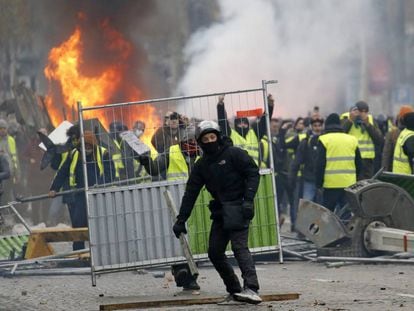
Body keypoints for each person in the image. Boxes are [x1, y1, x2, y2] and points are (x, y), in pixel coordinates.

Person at [172, 120, 262, 304]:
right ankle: (235, 291)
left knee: (239, 248)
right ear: (200, 142)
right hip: (221, 212)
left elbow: (253, 172)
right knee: (214, 252)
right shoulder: (201, 165)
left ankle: (252, 288)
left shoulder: (234, 154)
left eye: (213, 137)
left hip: (239, 208)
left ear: (219, 137)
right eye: (206, 138)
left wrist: (248, 200)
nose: (210, 141)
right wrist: (181, 220)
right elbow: (191, 193)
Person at [49, 131, 114, 250]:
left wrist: (99, 185)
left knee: (98, 227)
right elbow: (62, 172)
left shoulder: (103, 154)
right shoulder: (74, 154)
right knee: (78, 226)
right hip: (79, 196)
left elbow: (110, 175)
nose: (87, 149)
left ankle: (100, 254)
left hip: (98, 196)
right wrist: (54, 188)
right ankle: (78, 254)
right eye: (85, 146)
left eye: (89, 146)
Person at [315, 113, 362, 214]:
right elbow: (359, 164)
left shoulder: (324, 139)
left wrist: (319, 184)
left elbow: (320, 164)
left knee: (328, 215)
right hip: (349, 184)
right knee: (346, 214)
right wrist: (354, 178)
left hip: (330, 185)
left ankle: (329, 230)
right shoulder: (352, 139)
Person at [217, 94, 274, 167]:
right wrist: (220, 105)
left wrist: (270, 105)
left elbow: (264, 121)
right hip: (237, 172)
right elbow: (222, 123)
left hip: (253, 171)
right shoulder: (231, 134)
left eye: (245, 123)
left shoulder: (255, 133)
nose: (243, 125)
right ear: (235, 125)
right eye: (240, 123)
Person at [342, 101, 383, 179]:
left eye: (365, 112)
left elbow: (379, 139)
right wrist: (350, 121)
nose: (363, 114)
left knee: (366, 186)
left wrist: (367, 124)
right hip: (351, 158)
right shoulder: (346, 118)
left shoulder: (370, 120)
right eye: (361, 111)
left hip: (367, 160)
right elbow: (340, 134)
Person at [289, 115, 324, 206]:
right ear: (311, 127)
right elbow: (297, 161)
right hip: (309, 179)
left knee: (323, 206)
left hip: (324, 180)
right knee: (307, 206)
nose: (317, 128)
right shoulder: (305, 142)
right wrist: (292, 179)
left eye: (319, 125)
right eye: (315, 126)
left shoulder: (326, 141)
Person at [382, 105, 414, 171]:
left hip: (397, 173)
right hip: (405, 173)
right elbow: (387, 156)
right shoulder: (394, 134)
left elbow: (386, 156)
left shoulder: (393, 133)